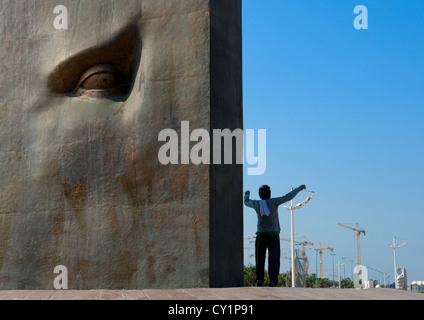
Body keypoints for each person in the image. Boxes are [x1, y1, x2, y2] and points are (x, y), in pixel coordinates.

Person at [244, 184, 306, 287]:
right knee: (274, 259)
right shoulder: (274, 202)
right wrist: (300, 188)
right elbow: (288, 196)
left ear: (260, 195)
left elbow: (246, 202)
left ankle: (259, 279)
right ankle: (273, 280)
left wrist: (247, 193)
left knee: (259, 259)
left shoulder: (257, 204)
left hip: (261, 235)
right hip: (273, 236)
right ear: (270, 194)